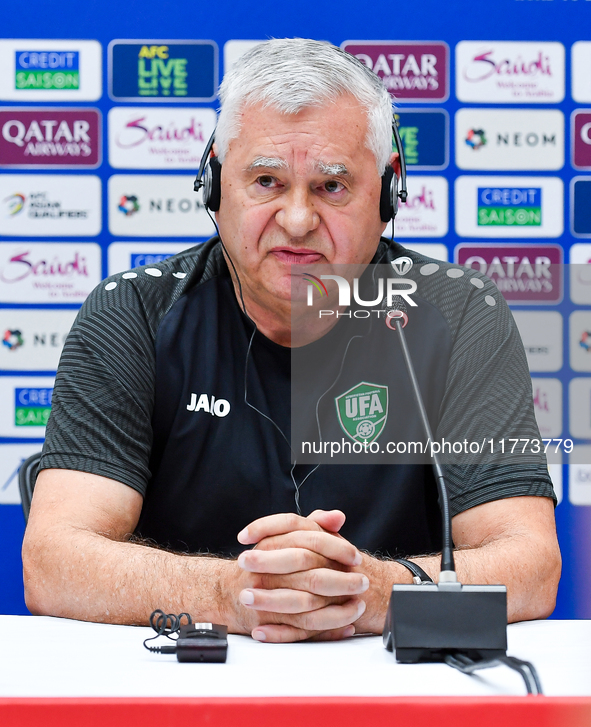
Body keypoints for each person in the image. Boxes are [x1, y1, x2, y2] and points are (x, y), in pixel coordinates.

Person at [22, 39, 561, 643]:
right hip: (186, 687)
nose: (298, 219)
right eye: (267, 181)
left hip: (394, 688)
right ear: (214, 188)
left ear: (388, 193)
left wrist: (375, 590)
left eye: (332, 187)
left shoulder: (458, 315)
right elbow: (52, 562)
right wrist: (234, 593)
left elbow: (530, 566)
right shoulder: (135, 314)